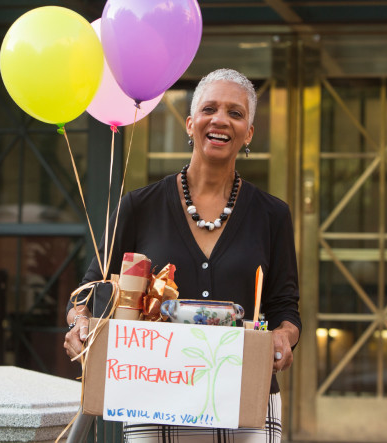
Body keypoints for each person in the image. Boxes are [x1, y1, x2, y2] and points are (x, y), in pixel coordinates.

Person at [64, 68, 301, 442]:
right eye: (210, 109)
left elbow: (285, 308)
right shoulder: (138, 207)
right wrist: (78, 324)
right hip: (156, 395)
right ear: (190, 124)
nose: (221, 120)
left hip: (244, 398)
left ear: (249, 133)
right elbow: (88, 294)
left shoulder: (273, 215)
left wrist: (284, 337)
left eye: (236, 113)